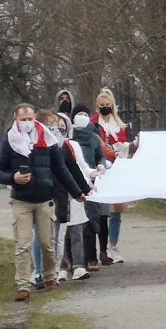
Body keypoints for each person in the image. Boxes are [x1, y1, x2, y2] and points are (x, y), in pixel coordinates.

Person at [0, 103, 86, 301]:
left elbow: (62, 170)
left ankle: (51, 278)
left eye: (29, 119)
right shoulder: (9, 142)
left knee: (47, 243)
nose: (26, 123)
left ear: (34, 119)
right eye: (22, 119)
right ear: (15, 120)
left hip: (44, 199)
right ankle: (23, 285)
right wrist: (13, 178)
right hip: (21, 201)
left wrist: (76, 192)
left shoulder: (48, 141)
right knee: (23, 244)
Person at [90, 88, 130, 264]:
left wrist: (122, 149)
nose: (105, 107)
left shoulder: (119, 125)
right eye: (102, 105)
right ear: (97, 106)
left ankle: (113, 246)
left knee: (116, 211)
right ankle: (101, 248)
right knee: (101, 212)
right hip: (101, 168)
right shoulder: (93, 124)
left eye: (108, 105)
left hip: (117, 169)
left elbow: (123, 143)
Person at [71, 105, 110, 271]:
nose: (81, 117)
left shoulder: (94, 137)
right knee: (75, 222)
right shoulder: (70, 138)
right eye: (78, 114)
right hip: (74, 181)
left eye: (84, 114)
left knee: (92, 220)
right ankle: (76, 260)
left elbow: (100, 156)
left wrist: (101, 165)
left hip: (92, 182)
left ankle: (92, 256)